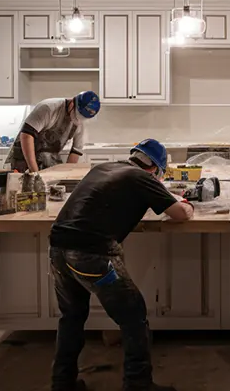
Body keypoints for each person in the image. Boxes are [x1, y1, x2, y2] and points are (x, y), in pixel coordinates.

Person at [48, 139, 194, 391]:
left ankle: (62, 383)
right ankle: (138, 384)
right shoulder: (143, 179)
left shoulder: (103, 168)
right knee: (133, 316)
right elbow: (179, 214)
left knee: (71, 317)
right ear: (157, 169)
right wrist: (187, 205)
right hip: (92, 255)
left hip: (58, 249)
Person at [6, 91, 101, 173]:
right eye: (77, 116)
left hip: (47, 159)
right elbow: (26, 135)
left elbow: (76, 151)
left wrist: (68, 175)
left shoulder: (81, 122)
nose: (77, 120)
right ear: (72, 104)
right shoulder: (48, 108)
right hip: (24, 158)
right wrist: (34, 172)